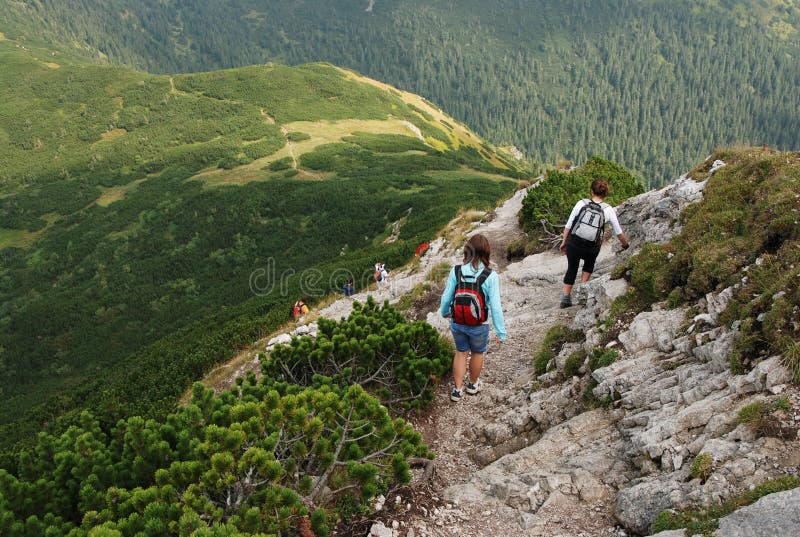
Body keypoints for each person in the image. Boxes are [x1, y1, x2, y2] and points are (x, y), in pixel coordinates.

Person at [439, 234, 507, 402]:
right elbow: (496, 307)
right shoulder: (491, 276)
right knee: (477, 353)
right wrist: (501, 332)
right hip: (479, 324)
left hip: (458, 321)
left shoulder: (456, 270)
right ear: (486, 252)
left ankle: (457, 390)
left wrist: (444, 312)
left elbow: (446, 297)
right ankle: (473, 385)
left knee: (461, 352)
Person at [559, 179, 630, 308]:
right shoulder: (608, 210)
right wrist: (625, 245)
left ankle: (565, 298)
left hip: (574, 243)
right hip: (592, 247)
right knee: (588, 265)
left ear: (591, 191)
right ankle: (582, 293)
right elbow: (618, 231)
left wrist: (564, 242)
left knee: (572, 268)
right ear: (606, 193)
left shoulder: (581, 203)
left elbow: (569, 225)